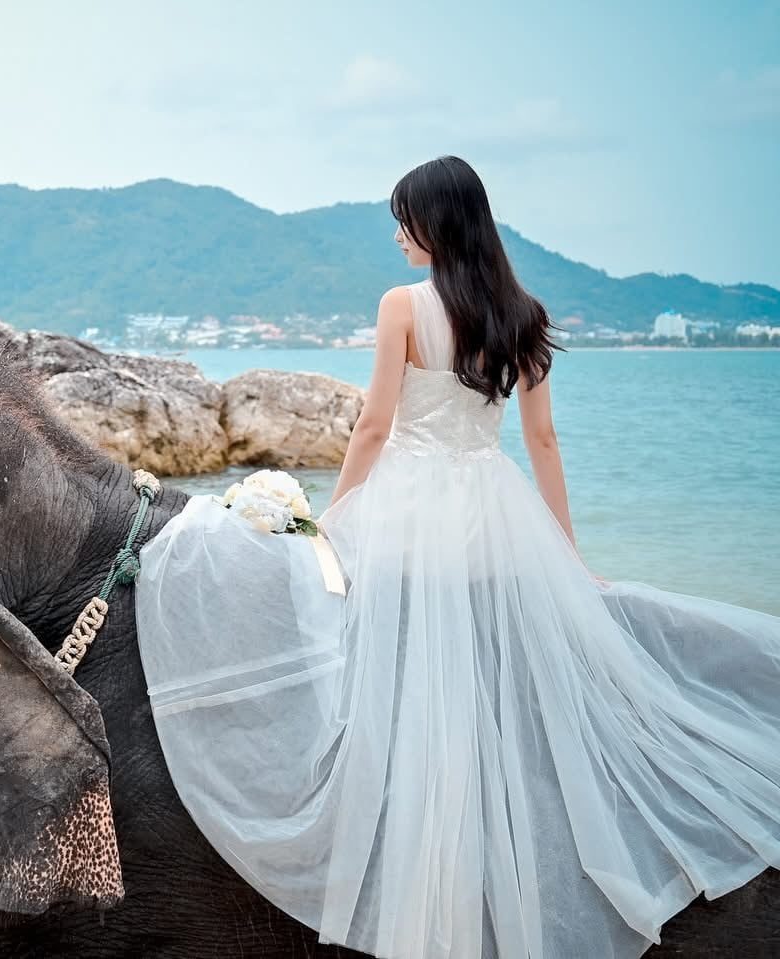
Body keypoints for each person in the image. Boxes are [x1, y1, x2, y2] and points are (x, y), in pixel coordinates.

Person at [133, 155, 780, 959]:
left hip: (408, 512)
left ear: (436, 223)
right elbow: (542, 441)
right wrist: (568, 557)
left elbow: (374, 426)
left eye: (404, 219)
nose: (397, 235)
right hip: (488, 514)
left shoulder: (402, 306)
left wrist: (331, 520)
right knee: (478, 688)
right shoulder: (526, 313)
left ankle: (408, 841)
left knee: (382, 673)